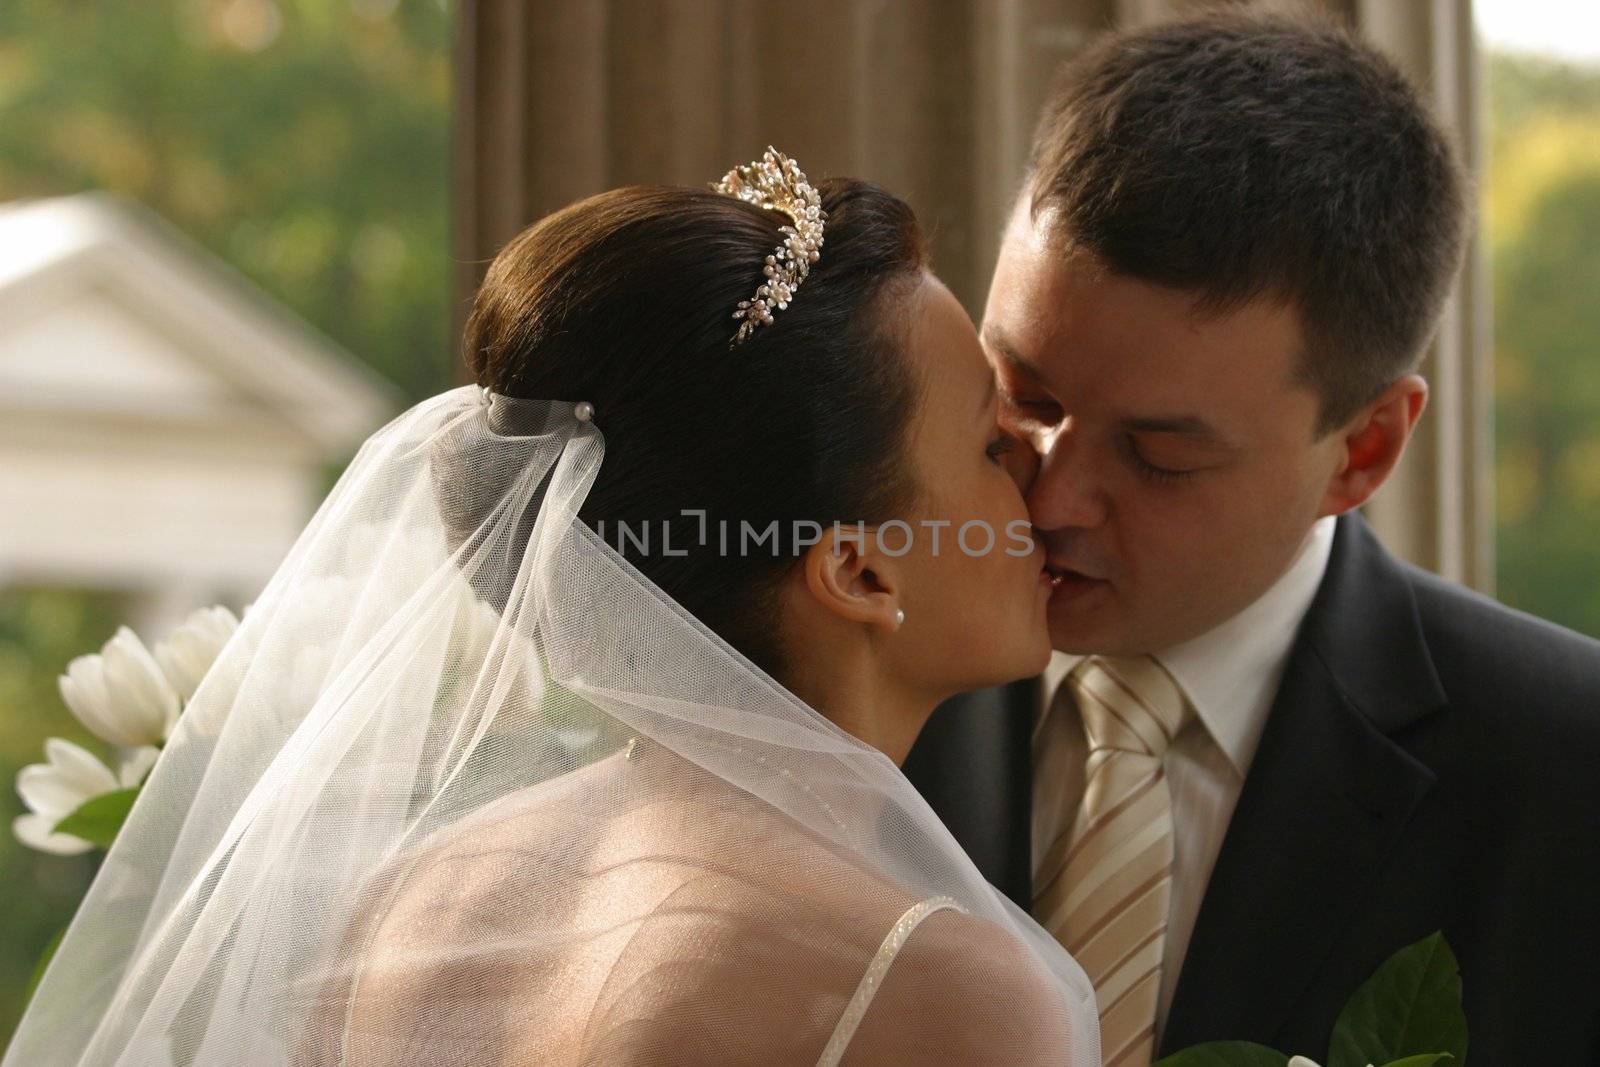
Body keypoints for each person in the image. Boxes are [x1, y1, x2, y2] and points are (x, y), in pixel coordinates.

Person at [2, 151, 1099, 1066]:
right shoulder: (938, 985)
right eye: (993, 447)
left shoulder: (427, 891)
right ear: (859, 572)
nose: (1046, 488)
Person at [951, 10, 1600, 1064]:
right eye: (1023, 392)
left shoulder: (1570, 785)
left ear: (1363, 452)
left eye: (1158, 454)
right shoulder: (823, 656)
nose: (1053, 496)